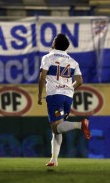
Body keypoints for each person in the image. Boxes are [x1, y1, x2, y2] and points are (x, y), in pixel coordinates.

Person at [38, 33, 91, 167]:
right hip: (68, 96)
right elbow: (80, 81)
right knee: (57, 128)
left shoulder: (48, 57)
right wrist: (69, 88)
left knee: (56, 128)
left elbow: (42, 78)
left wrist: (39, 95)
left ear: (54, 44)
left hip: (55, 95)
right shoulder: (73, 61)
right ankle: (54, 160)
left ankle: (80, 125)